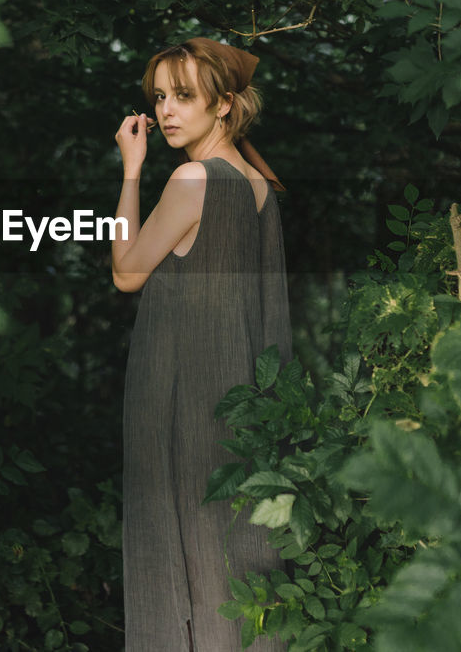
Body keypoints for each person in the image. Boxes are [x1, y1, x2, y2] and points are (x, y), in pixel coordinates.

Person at [112, 37, 291, 651]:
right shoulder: (260, 187)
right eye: (159, 96)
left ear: (224, 104)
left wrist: (132, 173)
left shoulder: (193, 178)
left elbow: (126, 271)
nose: (166, 110)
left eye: (184, 95)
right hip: (240, 403)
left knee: (183, 552)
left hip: (182, 402)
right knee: (234, 558)